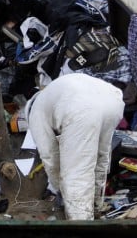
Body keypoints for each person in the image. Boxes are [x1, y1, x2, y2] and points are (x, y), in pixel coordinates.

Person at [25, 74, 124, 220]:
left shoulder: (36, 112)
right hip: (112, 101)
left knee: (76, 175)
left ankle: (81, 225)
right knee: (100, 156)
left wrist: (60, 188)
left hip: (81, 108)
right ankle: (96, 205)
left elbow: (49, 156)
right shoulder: (51, 93)